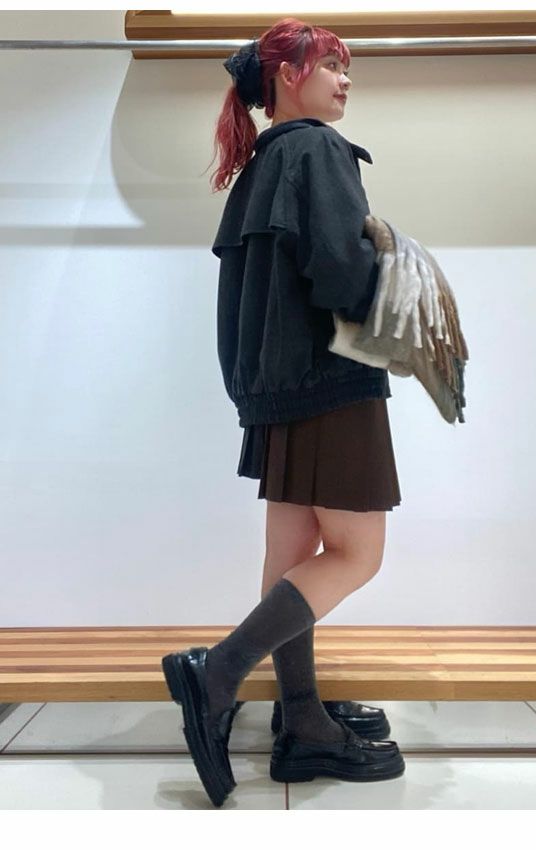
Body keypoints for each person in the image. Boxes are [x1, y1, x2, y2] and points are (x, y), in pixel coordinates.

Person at [162, 16, 405, 808]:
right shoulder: (318, 151)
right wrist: (394, 263)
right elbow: (342, 275)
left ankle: (301, 719)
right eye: (332, 65)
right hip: (330, 382)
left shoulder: (264, 162)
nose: (345, 80)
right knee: (357, 554)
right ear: (290, 76)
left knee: (292, 551)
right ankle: (219, 671)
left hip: (275, 388)